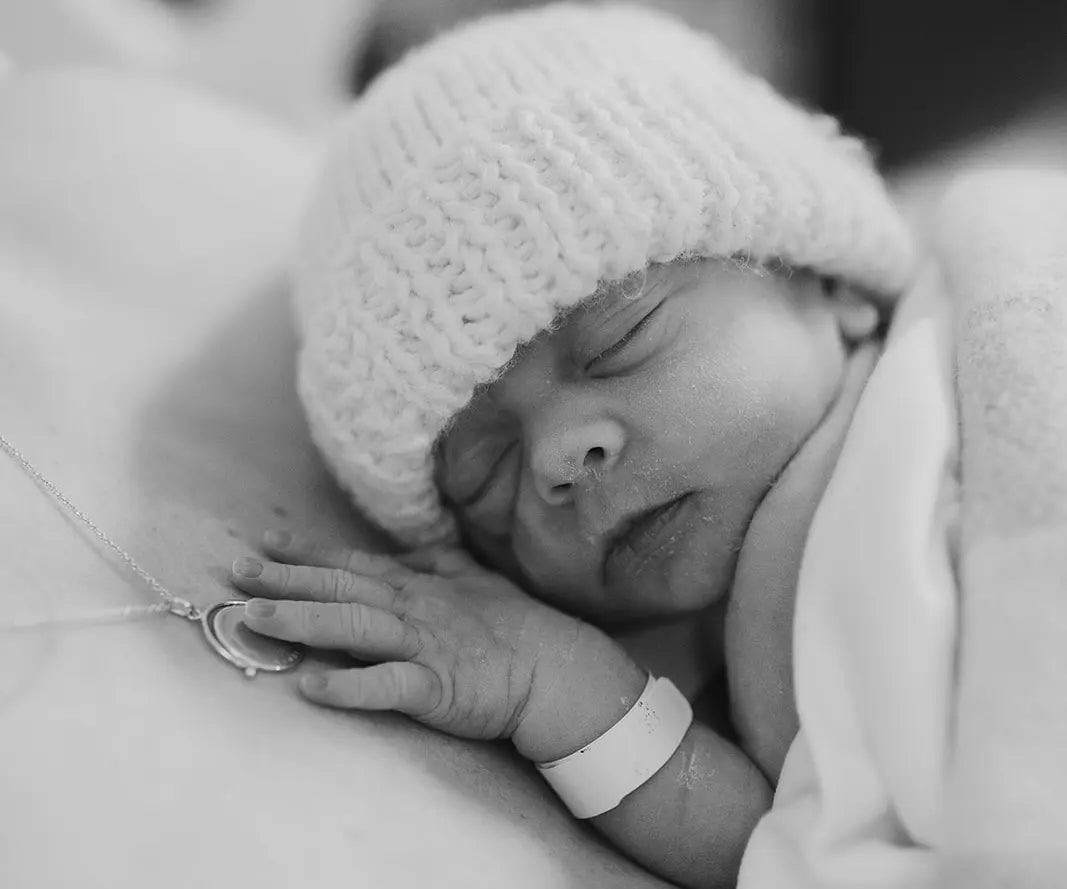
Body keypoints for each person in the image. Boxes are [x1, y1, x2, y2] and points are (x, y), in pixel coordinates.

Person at [226, 5, 917, 887]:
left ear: (826, 280)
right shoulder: (727, 694)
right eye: (487, 474)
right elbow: (793, 858)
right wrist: (556, 686)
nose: (556, 457)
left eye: (616, 342)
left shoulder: (955, 360)